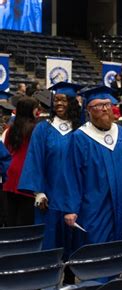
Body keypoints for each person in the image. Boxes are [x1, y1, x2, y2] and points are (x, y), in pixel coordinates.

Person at [61, 86, 122, 245]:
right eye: (99, 106)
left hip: (119, 203)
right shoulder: (80, 138)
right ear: (89, 110)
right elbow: (72, 175)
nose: (105, 109)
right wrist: (71, 208)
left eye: (107, 104)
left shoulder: (121, 134)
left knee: (116, 242)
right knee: (94, 243)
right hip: (92, 204)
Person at [18, 82, 82, 250]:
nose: (59, 103)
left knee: (73, 246)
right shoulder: (43, 129)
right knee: (49, 243)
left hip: (75, 197)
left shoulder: (81, 130)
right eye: (57, 100)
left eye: (64, 100)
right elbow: (34, 159)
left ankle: (70, 276)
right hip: (50, 197)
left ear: (72, 103)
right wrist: (38, 191)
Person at [3, 96, 38, 226]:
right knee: (25, 219)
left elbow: (5, 150)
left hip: (10, 174)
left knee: (11, 217)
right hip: (26, 176)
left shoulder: (10, 129)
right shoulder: (35, 129)